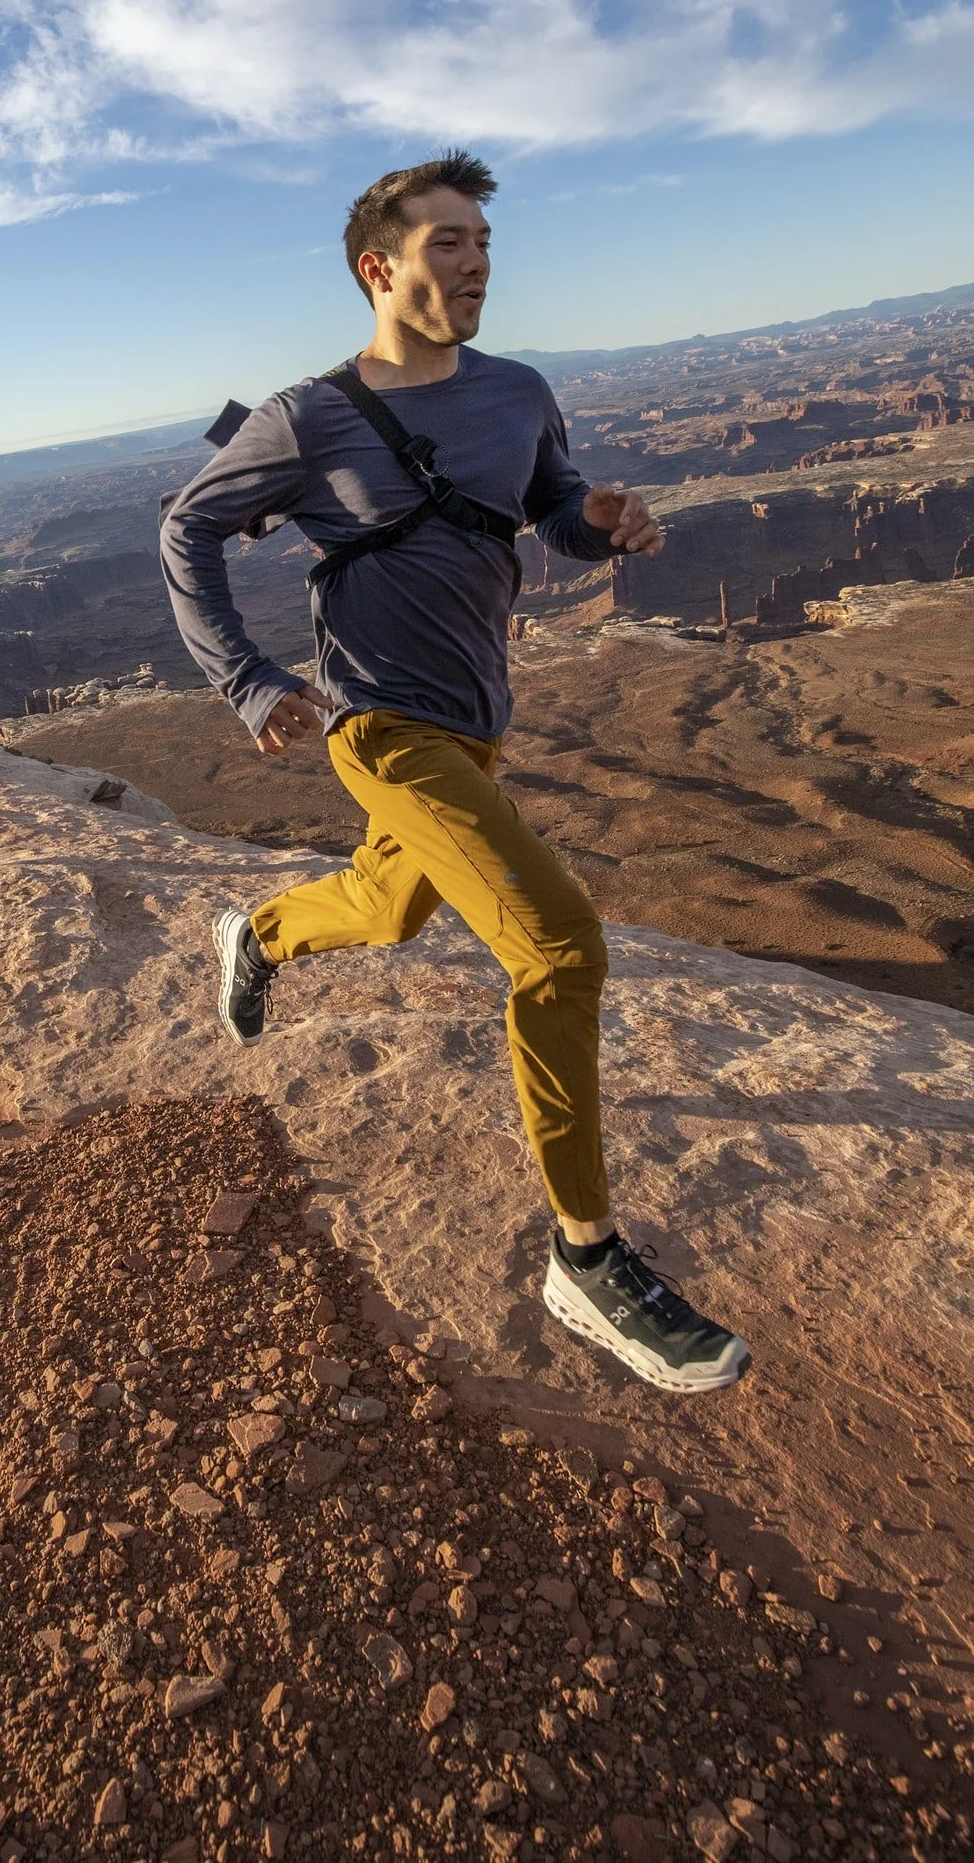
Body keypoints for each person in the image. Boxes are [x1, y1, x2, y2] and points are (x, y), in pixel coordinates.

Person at [159, 154, 749, 1394]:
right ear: (380, 267)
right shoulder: (308, 414)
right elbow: (187, 528)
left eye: (483, 240)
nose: (476, 261)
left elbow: (552, 515)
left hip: (478, 724)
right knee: (557, 947)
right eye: (447, 244)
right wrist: (249, 679)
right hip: (381, 729)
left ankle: (259, 932)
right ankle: (583, 1259)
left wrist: (606, 526)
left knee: (390, 904)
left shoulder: (519, 392)